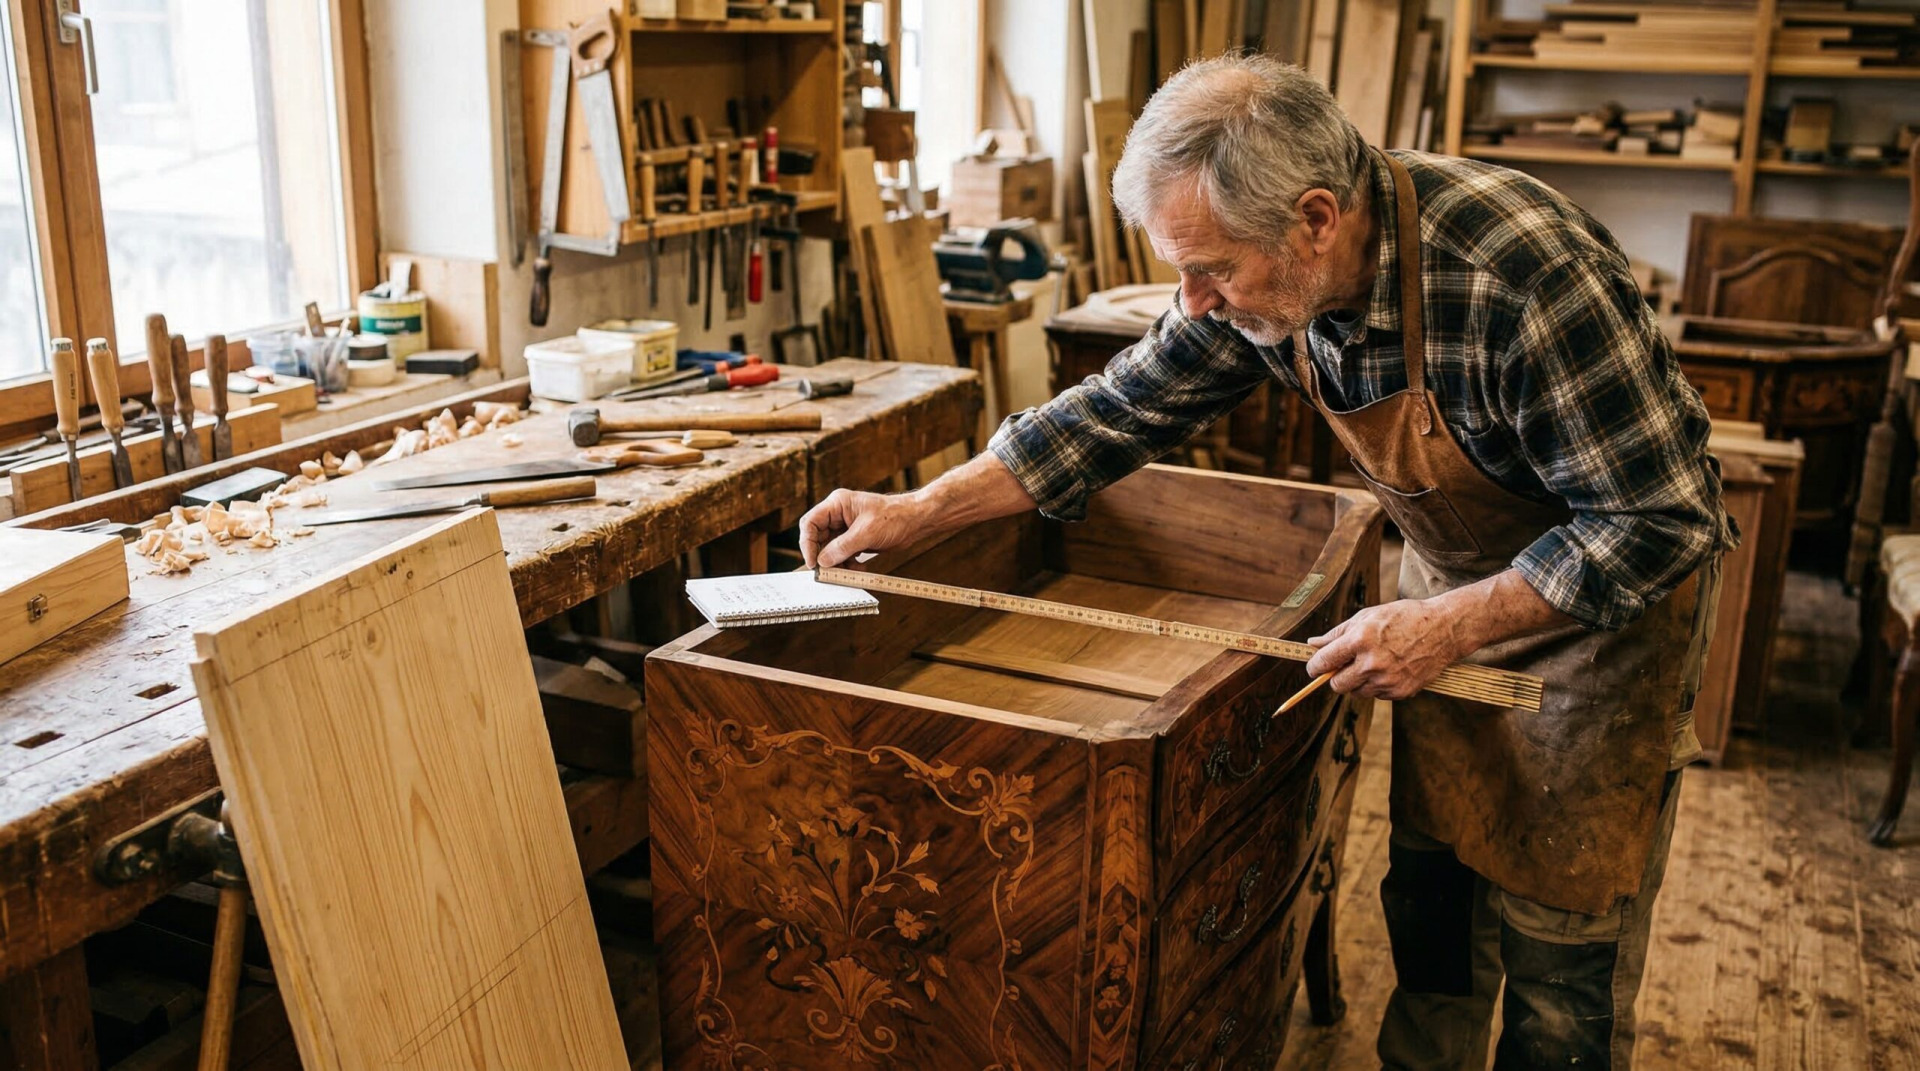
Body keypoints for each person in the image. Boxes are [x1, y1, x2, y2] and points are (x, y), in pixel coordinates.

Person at [800, 54, 1732, 1069]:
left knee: (1558, 961)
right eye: (1180, 267)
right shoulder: (1265, 276)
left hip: (1604, 625)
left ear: (1317, 218)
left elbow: (1658, 518)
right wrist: (920, 508)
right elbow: (1112, 413)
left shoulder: (1522, 276)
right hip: (1444, 591)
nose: (1193, 302)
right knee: (1430, 900)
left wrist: (1450, 626)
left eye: (1213, 271)